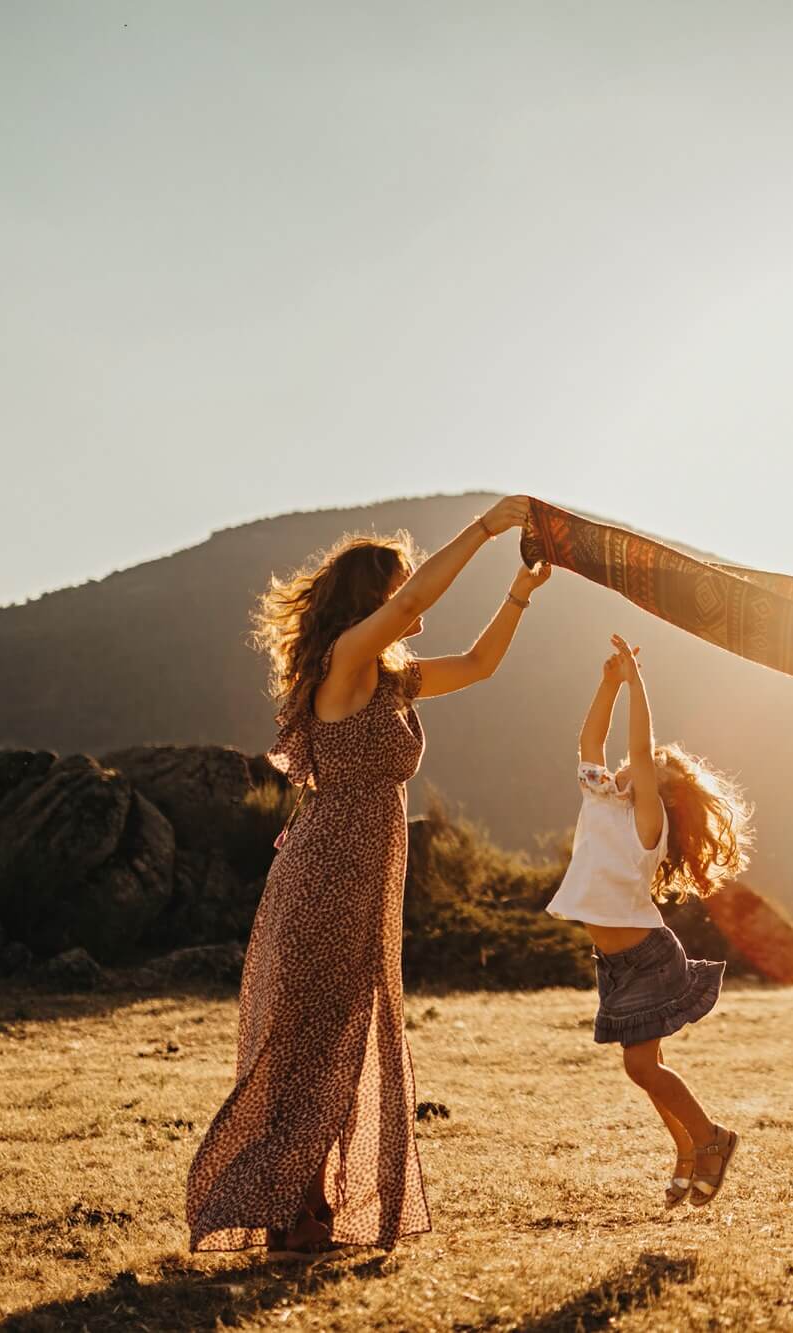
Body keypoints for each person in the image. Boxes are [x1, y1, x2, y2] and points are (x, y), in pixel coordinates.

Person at [187, 497, 551, 1256]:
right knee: (311, 1041)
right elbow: (415, 604)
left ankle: (303, 1203)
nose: (411, 595)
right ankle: (287, 1211)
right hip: (326, 875)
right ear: (371, 598)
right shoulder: (346, 661)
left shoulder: (388, 679)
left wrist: (520, 591)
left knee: (335, 1036)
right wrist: (486, 529)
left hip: (361, 879)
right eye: (397, 583)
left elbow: (480, 665)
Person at [546, 633, 754, 1208]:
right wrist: (608, 684)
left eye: (648, 766)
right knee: (647, 1066)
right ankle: (687, 1150)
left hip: (648, 960)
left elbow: (638, 746)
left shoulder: (647, 820)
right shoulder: (601, 799)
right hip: (615, 963)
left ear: (660, 791)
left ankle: (713, 1139)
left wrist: (637, 684)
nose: (628, 763)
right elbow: (590, 740)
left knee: (641, 1067)